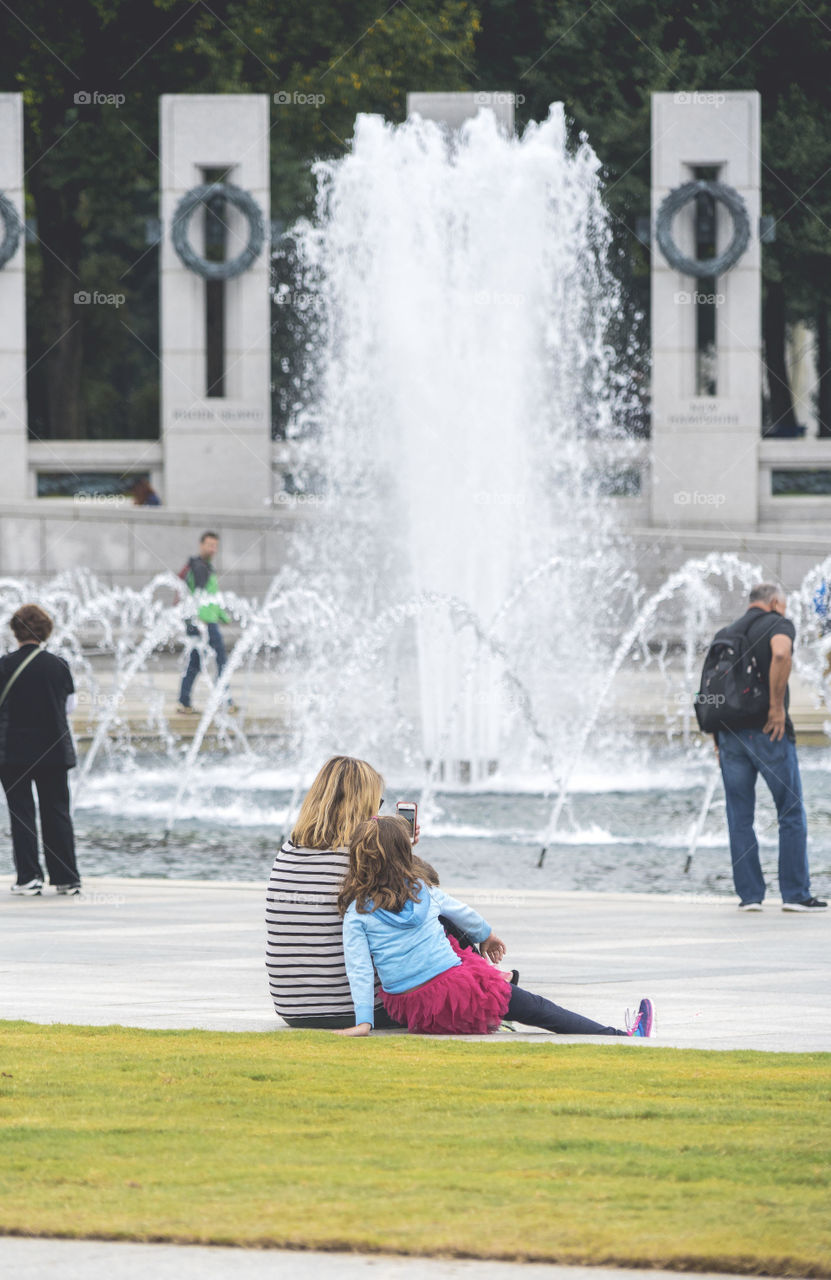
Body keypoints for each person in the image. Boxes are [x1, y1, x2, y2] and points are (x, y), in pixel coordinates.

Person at [336, 815, 653, 1038]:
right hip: (455, 991)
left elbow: (360, 970)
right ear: (405, 856)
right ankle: (619, 1035)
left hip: (414, 1006)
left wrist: (364, 1021)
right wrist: (486, 936)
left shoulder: (357, 914)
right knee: (537, 1008)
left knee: (478, 976)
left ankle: (499, 991)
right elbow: (465, 915)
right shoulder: (424, 892)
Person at [266, 755, 406, 1029]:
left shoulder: (288, 850)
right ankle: (491, 986)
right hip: (356, 1008)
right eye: (377, 805)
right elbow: (415, 912)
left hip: (292, 1007)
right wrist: (402, 852)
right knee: (439, 920)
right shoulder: (363, 855)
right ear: (365, 806)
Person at [714, 582, 826, 912]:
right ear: (775, 602)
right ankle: (795, 894)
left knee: (739, 817)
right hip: (769, 731)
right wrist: (776, 706)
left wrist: (714, 735)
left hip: (729, 734)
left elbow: (709, 686)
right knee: (790, 813)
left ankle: (749, 897)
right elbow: (781, 652)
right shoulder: (778, 623)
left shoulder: (726, 632)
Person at [0, 604, 81, 896]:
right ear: (46, 631)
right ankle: (67, 878)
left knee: (21, 813)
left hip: (13, 753)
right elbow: (69, 707)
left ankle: (29, 878)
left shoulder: (4, 665)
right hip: (53, 751)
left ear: (15, 631)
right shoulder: (58, 665)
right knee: (57, 811)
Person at [176, 531, 233, 714]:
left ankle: (184, 701)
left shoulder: (206, 567)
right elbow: (198, 597)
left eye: (215, 545)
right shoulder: (200, 567)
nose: (212, 549)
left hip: (207, 621)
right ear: (201, 545)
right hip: (203, 623)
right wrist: (201, 621)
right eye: (209, 545)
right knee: (221, 661)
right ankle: (225, 701)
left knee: (196, 662)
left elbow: (212, 598)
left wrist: (223, 617)